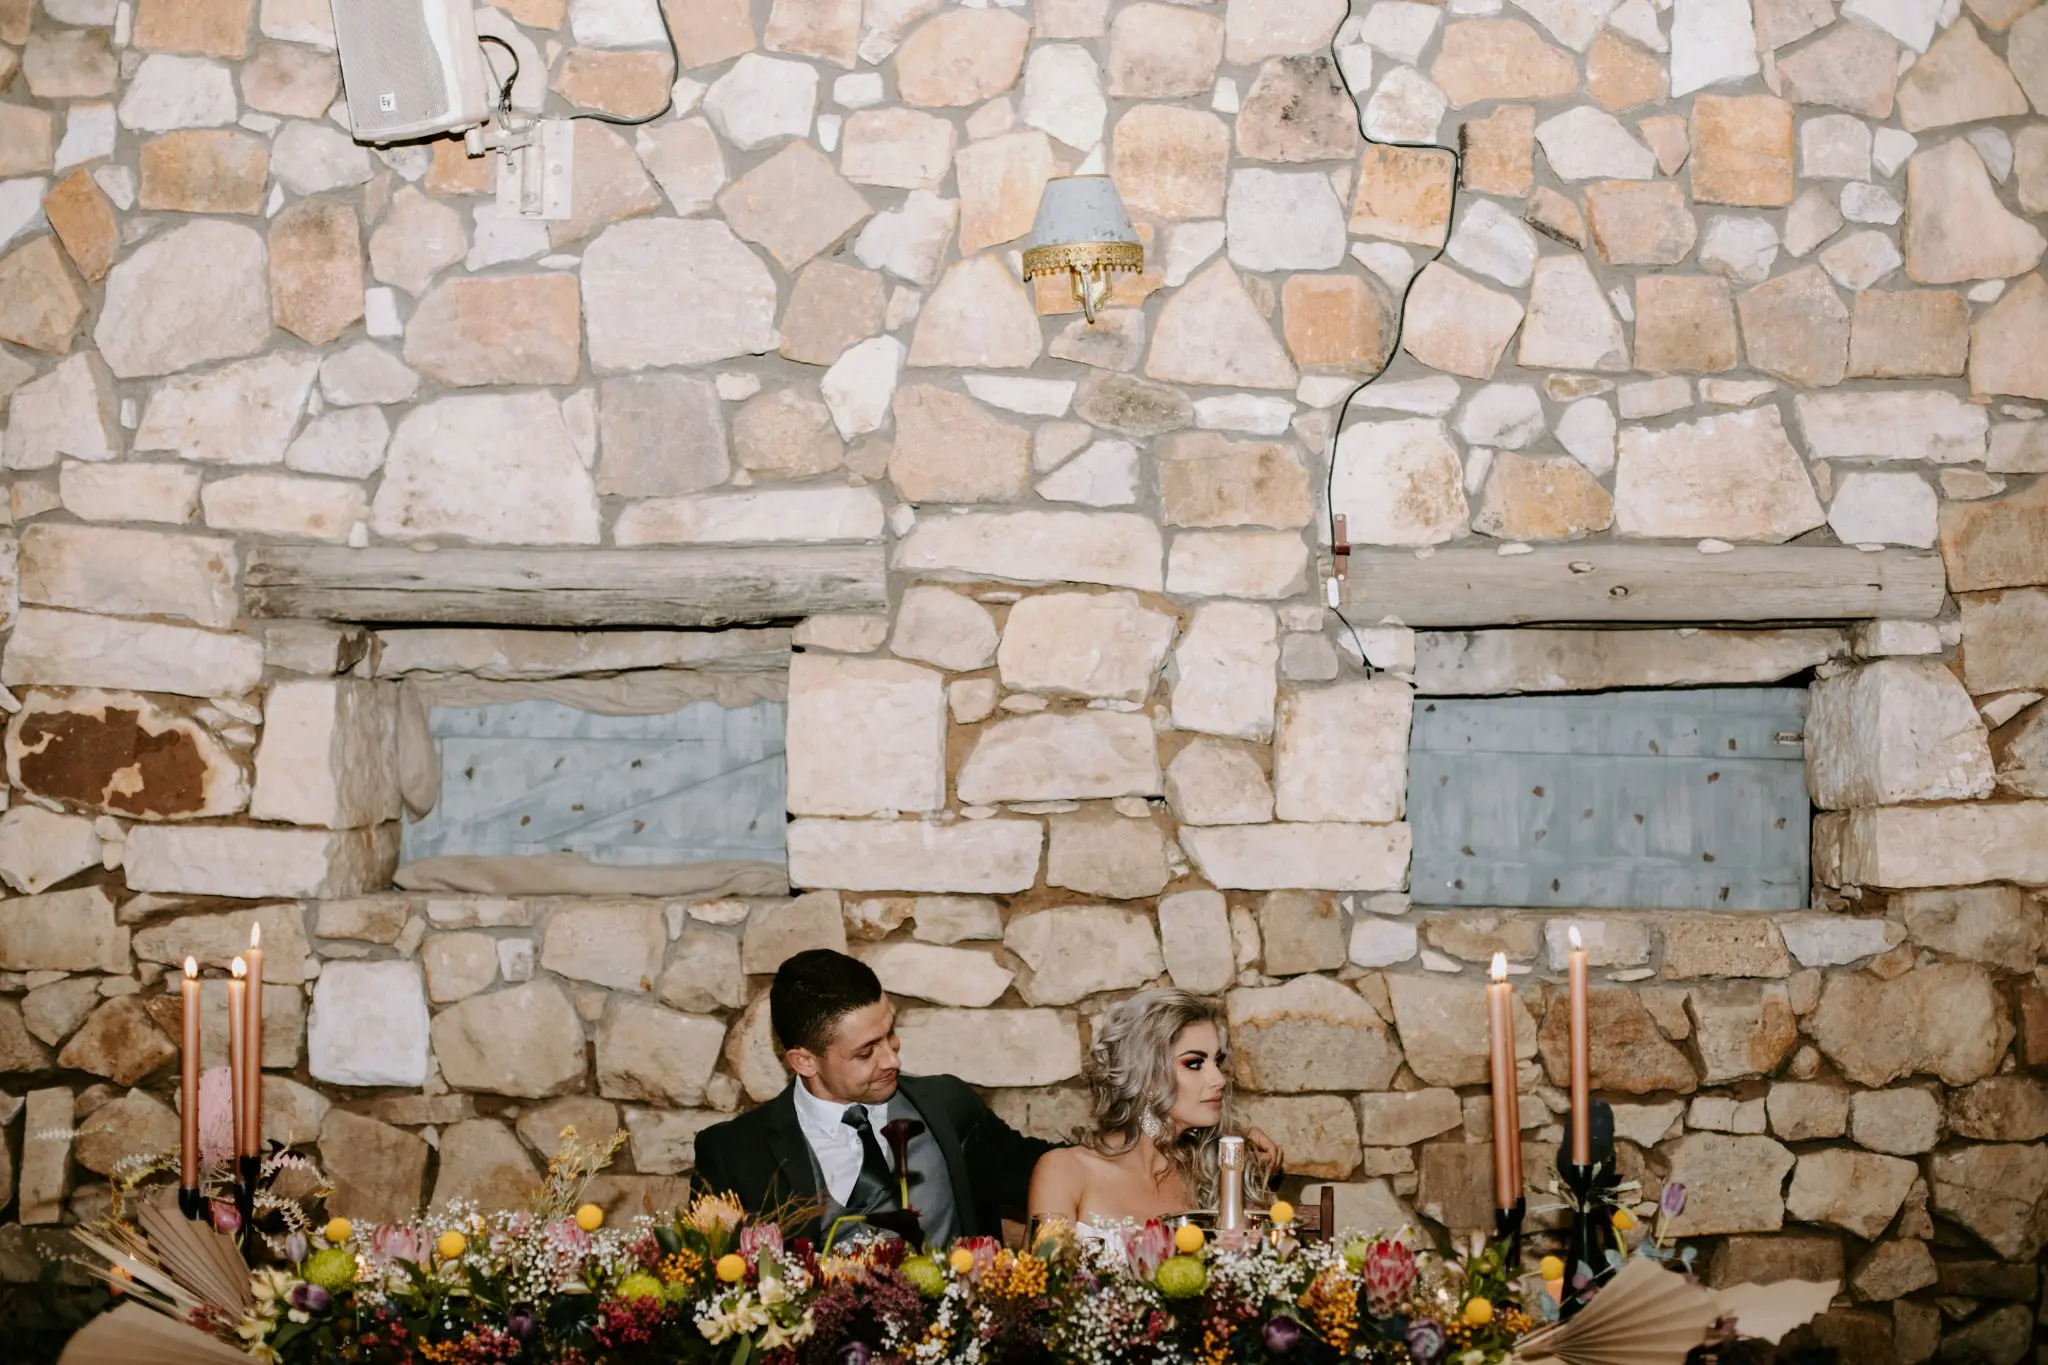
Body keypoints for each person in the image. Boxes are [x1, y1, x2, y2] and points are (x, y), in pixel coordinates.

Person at [691, 949, 1057, 1248]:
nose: (893, 1059)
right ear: (804, 1061)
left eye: (890, 1034)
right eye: (866, 1052)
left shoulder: (949, 1105)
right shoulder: (732, 1156)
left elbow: (1048, 1171)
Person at [1027, 988, 1274, 1233]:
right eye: (1194, 1063)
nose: (1219, 1079)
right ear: (1147, 1077)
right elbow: (1042, 1271)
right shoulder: (1065, 1171)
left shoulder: (1212, 1174)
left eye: (1216, 1061)